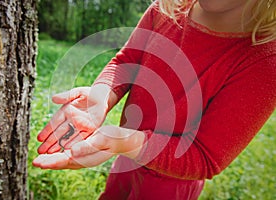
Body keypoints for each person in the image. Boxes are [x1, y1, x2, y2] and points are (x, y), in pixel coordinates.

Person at [33, 0, 276, 199]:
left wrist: (126, 142)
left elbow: (205, 157)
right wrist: (103, 94)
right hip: (126, 153)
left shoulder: (263, 58)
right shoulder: (168, 8)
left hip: (172, 181)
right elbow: (127, 61)